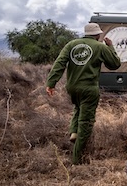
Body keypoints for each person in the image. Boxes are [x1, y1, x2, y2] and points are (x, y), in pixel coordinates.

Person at [46, 23, 122, 164]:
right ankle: (77, 158)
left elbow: (59, 63)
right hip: (89, 88)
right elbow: (115, 64)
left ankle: (74, 132)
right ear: (98, 34)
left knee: (78, 108)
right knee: (86, 121)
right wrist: (110, 47)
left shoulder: (71, 44)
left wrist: (51, 83)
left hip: (72, 87)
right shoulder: (100, 47)